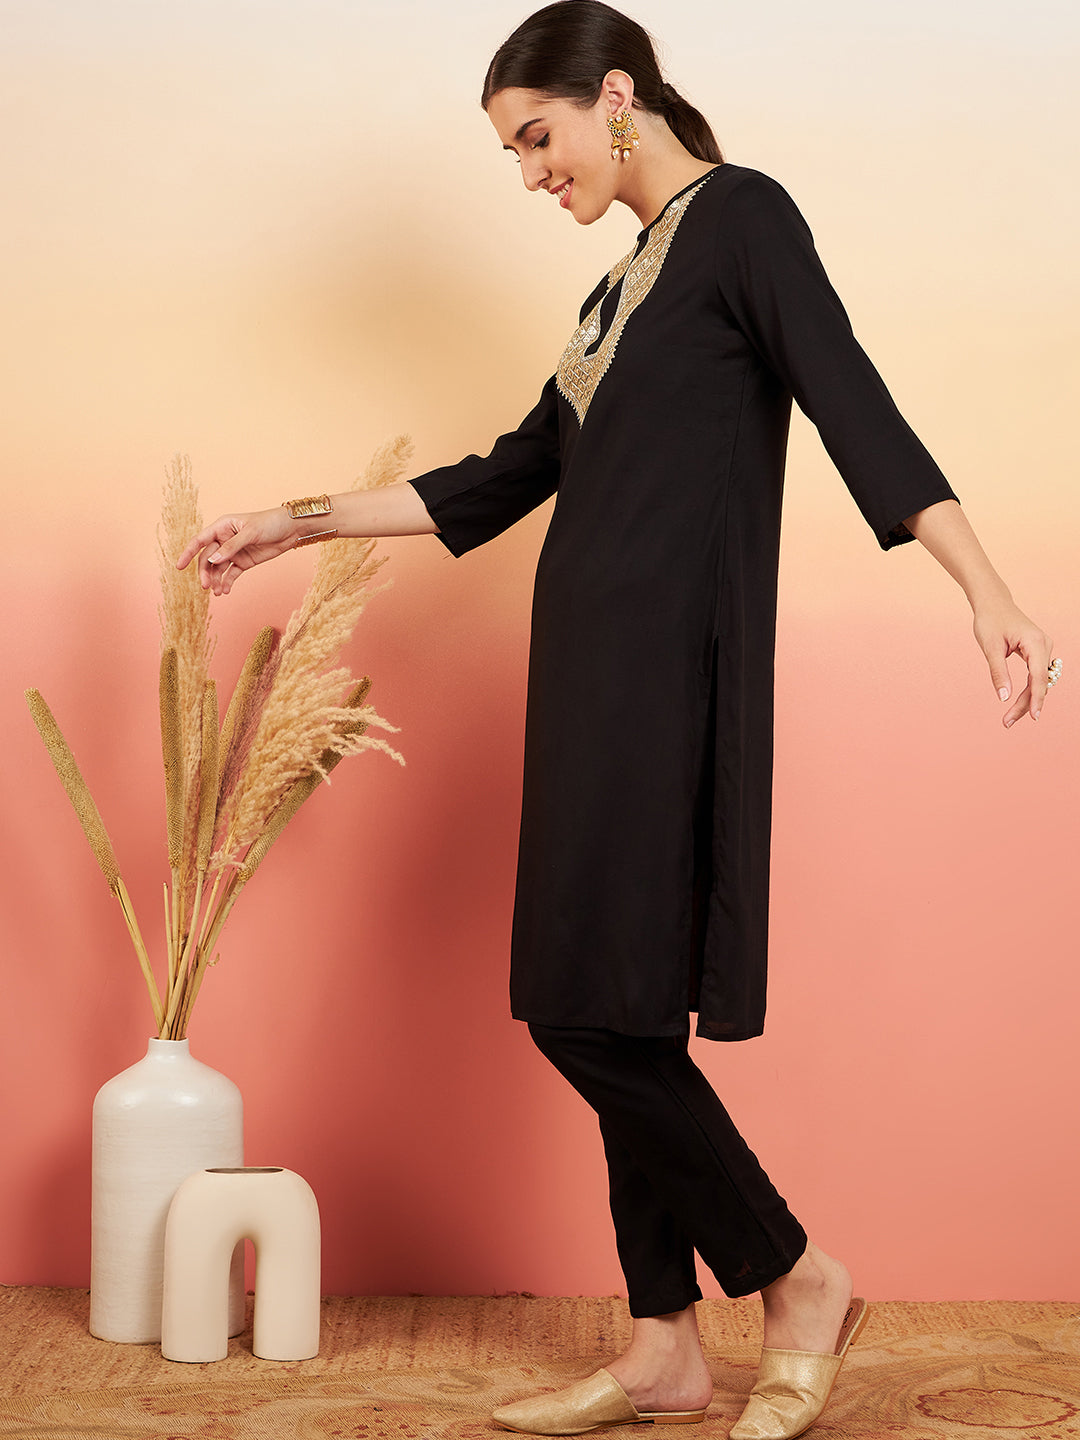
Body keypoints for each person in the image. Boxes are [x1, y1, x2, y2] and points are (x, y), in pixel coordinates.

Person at [178, 3, 1059, 1434]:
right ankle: (663, 1347)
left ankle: (796, 1278)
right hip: (587, 687)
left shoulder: (742, 220)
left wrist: (987, 588)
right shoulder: (618, 291)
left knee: (585, 1011)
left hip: (667, 678)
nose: (534, 175)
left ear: (618, 95)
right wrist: (294, 520)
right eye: (514, 157)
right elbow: (501, 474)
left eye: (540, 138)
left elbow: (854, 403)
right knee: (614, 1009)